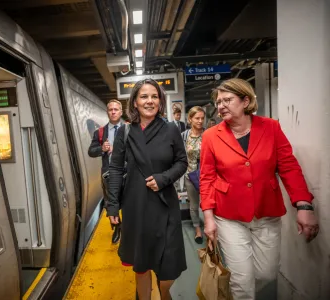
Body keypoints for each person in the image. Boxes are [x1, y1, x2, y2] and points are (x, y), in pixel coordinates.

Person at [200, 78, 320, 299]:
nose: (221, 106)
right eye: (218, 102)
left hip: (266, 211)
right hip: (229, 215)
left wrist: (304, 205)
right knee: (241, 281)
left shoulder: (271, 127)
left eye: (227, 100)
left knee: (267, 273)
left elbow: (289, 168)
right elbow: (206, 178)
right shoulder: (211, 136)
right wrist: (208, 216)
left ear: (245, 101)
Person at [107, 78, 188, 300]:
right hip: (136, 205)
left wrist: (164, 178)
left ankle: (164, 293)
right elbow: (115, 169)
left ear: (160, 101)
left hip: (165, 204)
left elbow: (182, 162)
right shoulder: (125, 132)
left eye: (154, 96)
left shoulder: (171, 129)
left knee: (167, 265)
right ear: (134, 102)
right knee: (141, 264)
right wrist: (112, 205)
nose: (150, 101)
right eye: (144, 96)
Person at [88, 99, 123, 244]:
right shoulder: (100, 133)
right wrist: (102, 149)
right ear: (107, 112)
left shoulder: (129, 129)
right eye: (111, 109)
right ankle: (117, 228)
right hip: (108, 173)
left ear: (121, 112)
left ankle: (129, 231)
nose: (113, 112)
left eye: (116, 109)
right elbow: (91, 151)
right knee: (111, 204)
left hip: (127, 172)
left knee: (128, 203)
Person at [181, 106, 205, 244]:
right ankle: (197, 230)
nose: (200, 121)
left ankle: (210, 226)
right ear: (190, 119)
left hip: (206, 175)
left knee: (209, 204)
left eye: (202, 118)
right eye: (197, 118)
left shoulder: (208, 135)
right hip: (190, 175)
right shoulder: (184, 136)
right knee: (194, 205)